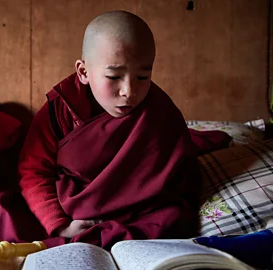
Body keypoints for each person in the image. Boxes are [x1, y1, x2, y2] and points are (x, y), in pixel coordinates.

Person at [18, 11, 202, 249]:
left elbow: (180, 174)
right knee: (8, 216)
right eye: (114, 76)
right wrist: (60, 224)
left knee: (174, 219)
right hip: (73, 214)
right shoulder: (60, 109)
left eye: (143, 76)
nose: (129, 90)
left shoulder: (160, 110)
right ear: (83, 72)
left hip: (141, 214)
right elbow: (33, 171)